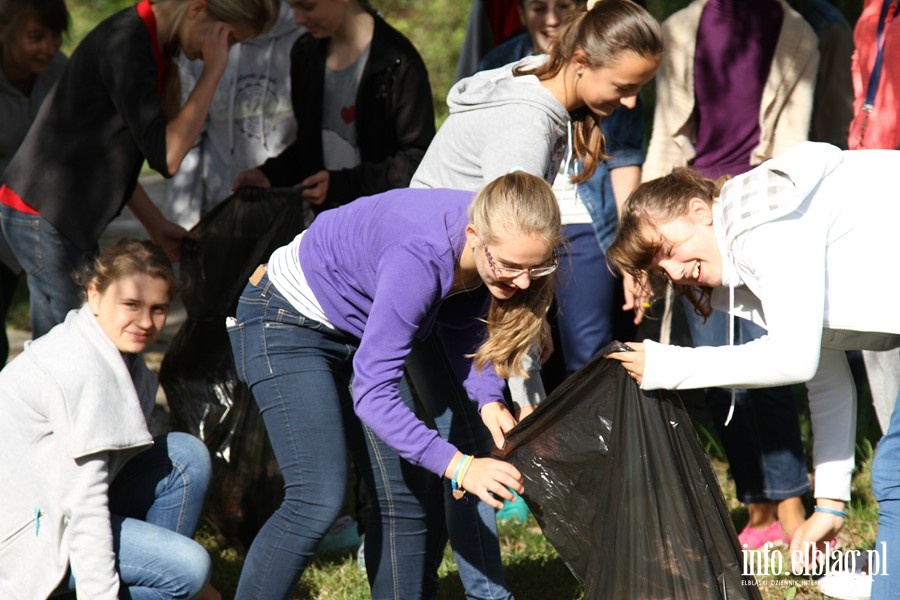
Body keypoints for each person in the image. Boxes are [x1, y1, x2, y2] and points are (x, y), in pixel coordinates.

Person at [410, 1, 661, 595]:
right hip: (431, 297)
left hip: (457, 294)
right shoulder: (527, 125)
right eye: (623, 87)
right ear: (579, 61)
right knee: (460, 455)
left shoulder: (541, 88)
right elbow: (508, 244)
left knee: (462, 450)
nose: (628, 103)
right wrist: (524, 325)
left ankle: (445, 585)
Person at [226, 171, 563, 599]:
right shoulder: (420, 257)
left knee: (405, 496)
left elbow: (459, 325)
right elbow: (373, 394)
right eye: (511, 268)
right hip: (283, 318)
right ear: (474, 234)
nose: (522, 284)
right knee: (317, 497)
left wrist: (488, 399)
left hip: (355, 330)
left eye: (536, 269)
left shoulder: (496, 237)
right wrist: (460, 466)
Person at [604, 141, 900, 596]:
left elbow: (793, 358)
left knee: (893, 473)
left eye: (668, 248)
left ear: (701, 210)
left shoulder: (762, 224)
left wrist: (670, 364)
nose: (673, 271)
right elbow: (825, 376)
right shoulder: (746, 257)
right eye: (658, 267)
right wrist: (830, 505)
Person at [640, 0, 819, 550]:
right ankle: (757, 506)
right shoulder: (678, 31)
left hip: (756, 220)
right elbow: (665, 140)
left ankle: (793, 505)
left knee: (772, 370)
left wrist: (751, 215)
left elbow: (792, 148)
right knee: (717, 376)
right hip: (687, 224)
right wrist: (651, 245)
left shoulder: (797, 34)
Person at [0, 0, 281, 341]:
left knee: (75, 334)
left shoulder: (152, 43)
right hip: (43, 212)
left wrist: (156, 225)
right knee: (71, 341)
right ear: (197, 8)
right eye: (228, 38)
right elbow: (169, 156)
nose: (224, 50)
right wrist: (213, 72)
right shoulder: (127, 42)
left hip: (59, 214)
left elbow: (109, 154)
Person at [0, 238, 217, 600]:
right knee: (190, 569)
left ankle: (163, 581)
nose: (146, 322)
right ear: (95, 294)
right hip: (25, 541)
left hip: (56, 502)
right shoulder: (84, 370)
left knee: (185, 457)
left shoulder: (118, 354)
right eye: (131, 304)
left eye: (158, 309)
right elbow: (84, 506)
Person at [232, 0, 435, 212]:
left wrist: (342, 185)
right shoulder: (305, 54)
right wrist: (270, 175)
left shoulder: (398, 62)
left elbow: (417, 161)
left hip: (380, 224)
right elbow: (310, 147)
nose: (298, 19)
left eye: (308, 6)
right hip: (324, 228)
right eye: (292, 8)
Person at [163, 0, 302, 229]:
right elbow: (189, 141)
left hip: (289, 211)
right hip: (221, 212)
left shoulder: (303, 34)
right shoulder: (206, 35)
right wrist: (182, 220)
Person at [0, 0, 69, 367]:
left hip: (43, 218)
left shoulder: (63, 75)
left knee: (59, 327)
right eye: (36, 36)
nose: (50, 46)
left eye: (56, 35)